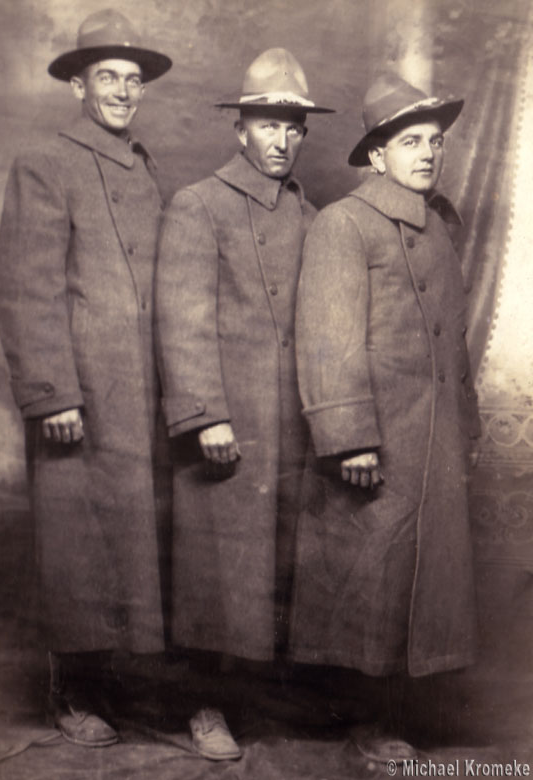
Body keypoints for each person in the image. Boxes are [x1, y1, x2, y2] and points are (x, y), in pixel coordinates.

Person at [289, 73, 481, 759]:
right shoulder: (345, 223)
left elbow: (451, 343)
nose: (428, 153)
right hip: (378, 438)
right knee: (370, 575)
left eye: (434, 141)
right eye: (410, 141)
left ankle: (402, 709)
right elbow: (328, 337)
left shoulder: (438, 226)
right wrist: (347, 438)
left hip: (434, 436)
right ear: (377, 156)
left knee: (422, 580)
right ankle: (368, 721)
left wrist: (468, 427)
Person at [0, 9, 171, 747]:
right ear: (77, 85)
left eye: (133, 80)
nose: (125, 91)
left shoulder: (147, 169)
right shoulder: (45, 162)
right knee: (76, 544)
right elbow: (26, 286)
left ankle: (118, 684)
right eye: (109, 78)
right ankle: (73, 690)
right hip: (82, 394)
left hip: (142, 396)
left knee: (129, 544)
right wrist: (52, 392)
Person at [155, 49, 334, 760]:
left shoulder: (312, 215)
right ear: (240, 130)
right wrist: (207, 414)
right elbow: (182, 317)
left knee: (278, 571)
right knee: (214, 569)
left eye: (294, 127)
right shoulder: (197, 204)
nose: (283, 140)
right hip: (228, 424)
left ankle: (261, 694)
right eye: (268, 125)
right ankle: (203, 705)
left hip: (290, 425)